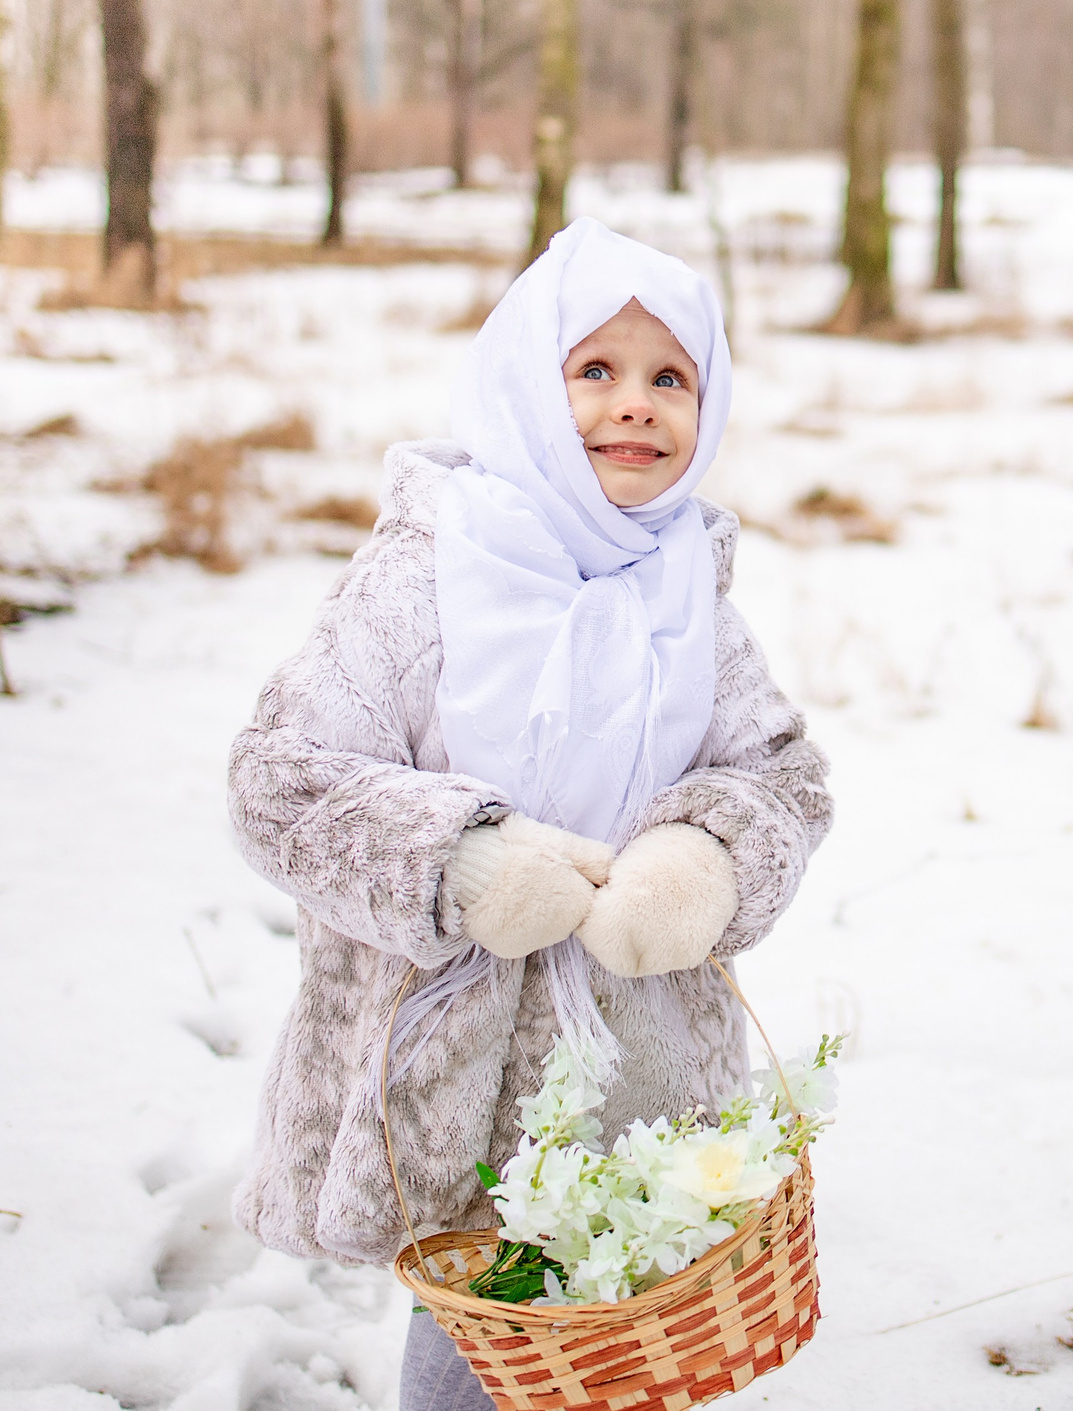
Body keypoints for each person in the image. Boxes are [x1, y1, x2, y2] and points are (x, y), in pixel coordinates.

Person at [225, 219, 831, 1411]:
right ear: (523, 384)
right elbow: (278, 780)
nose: (634, 403)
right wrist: (461, 863)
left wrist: (700, 860)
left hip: (636, 1073)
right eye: (593, 369)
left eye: (671, 378)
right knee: (483, 1332)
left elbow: (781, 777)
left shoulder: (686, 588)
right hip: (449, 1071)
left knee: (617, 1345)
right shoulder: (426, 571)